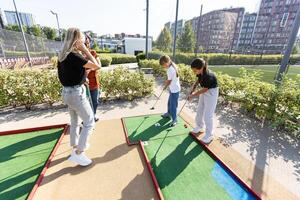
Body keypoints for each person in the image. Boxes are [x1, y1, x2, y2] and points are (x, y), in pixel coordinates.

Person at [57, 27, 101, 166]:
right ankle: (78, 153)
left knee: (75, 120)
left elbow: (67, 75)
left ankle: (75, 145)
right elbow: (96, 66)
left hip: (67, 92)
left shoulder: (62, 55)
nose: (83, 40)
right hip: (75, 94)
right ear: (76, 40)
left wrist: (82, 79)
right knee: (89, 122)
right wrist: (86, 50)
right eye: (81, 38)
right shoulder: (75, 55)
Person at [188, 58, 219, 144]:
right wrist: (192, 89)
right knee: (199, 110)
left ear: (201, 68)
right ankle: (199, 127)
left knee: (208, 115)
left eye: (195, 70)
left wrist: (193, 95)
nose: (194, 72)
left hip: (211, 92)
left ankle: (209, 135)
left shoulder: (209, 76)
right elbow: (197, 81)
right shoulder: (200, 73)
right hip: (205, 90)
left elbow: (205, 89)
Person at [160, 55, 181, 127]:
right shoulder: (172, 65)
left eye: (163, 65)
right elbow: (170, 80)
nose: (163, 66)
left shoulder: (170, 69)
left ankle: (175, 119)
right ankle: (168, 113)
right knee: (169, 103)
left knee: (173, 106)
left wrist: (164, 87)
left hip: (175, 90)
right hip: (173, 88)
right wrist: (167, 86)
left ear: (167, 62)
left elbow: (169, 81)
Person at [84, 35, 101, 122]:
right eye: (84, 43)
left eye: (88, 42)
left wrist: (89, 70)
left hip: (94, 82)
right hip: (83, 84)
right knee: (85, 103)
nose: (86, 44)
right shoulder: (78, 55)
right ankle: (87, 119)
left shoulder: (93, 53)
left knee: (95, 101)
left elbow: (99, 66)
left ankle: (93, 115)